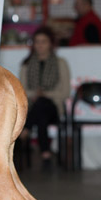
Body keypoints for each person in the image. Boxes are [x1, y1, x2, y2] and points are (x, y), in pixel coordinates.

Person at [18, 26, 71, 168]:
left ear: (50, 44)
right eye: (37, 42)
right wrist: (35, 95)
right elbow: (22, 90)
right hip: (34, 107)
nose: (40, 45)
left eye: (44, 42)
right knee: (41, 111)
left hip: (54, 107)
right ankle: (45, 154)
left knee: (43, 103)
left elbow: (65, 92)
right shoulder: (26, 64)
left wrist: (45, 94)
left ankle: (26, 129)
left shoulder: (60, 63)